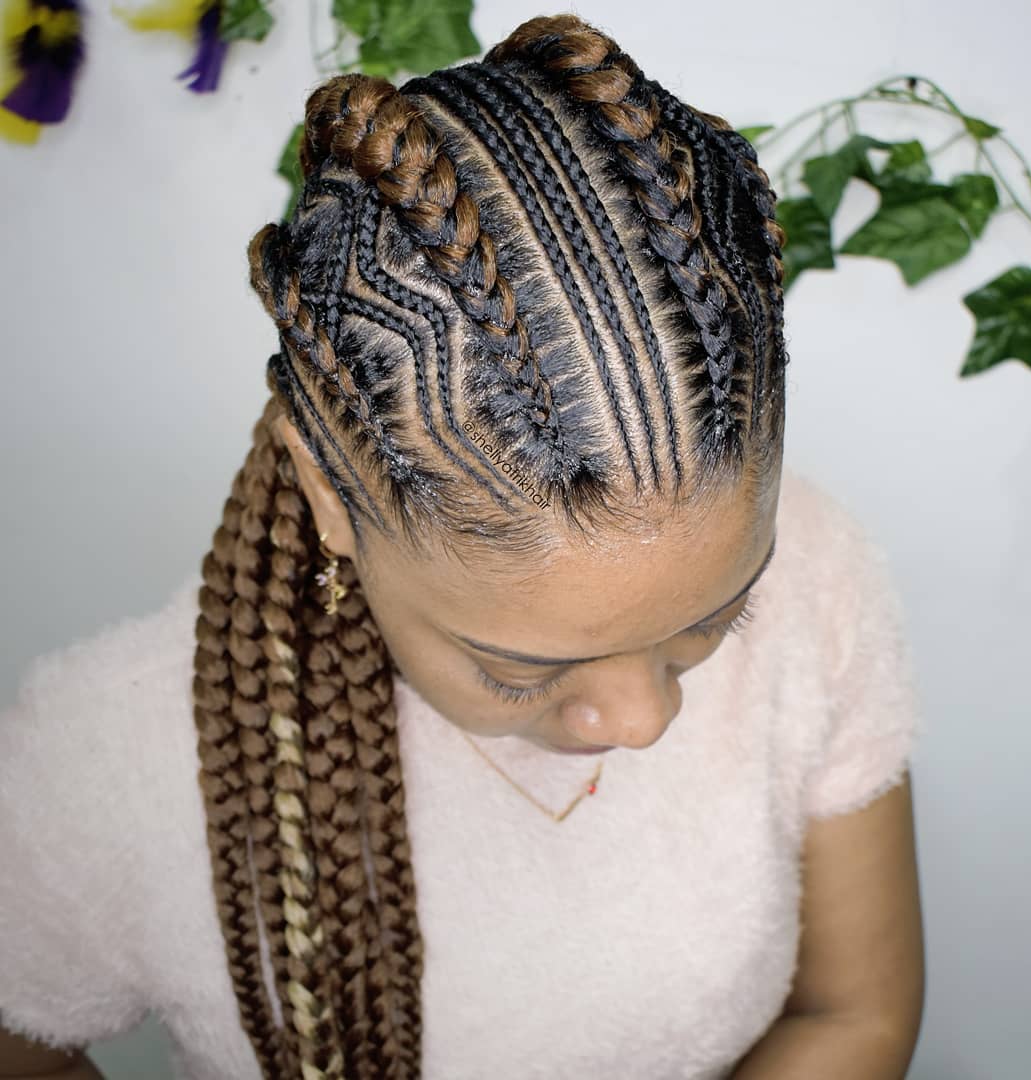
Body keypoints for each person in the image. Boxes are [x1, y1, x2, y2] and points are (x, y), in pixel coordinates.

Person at [0, 13, 926, 1080]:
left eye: (719, 618)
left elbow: (852, 1014)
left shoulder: (819, 567)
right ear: (329, 492)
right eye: (518, 670)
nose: (645, 720)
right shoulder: (104, 765)